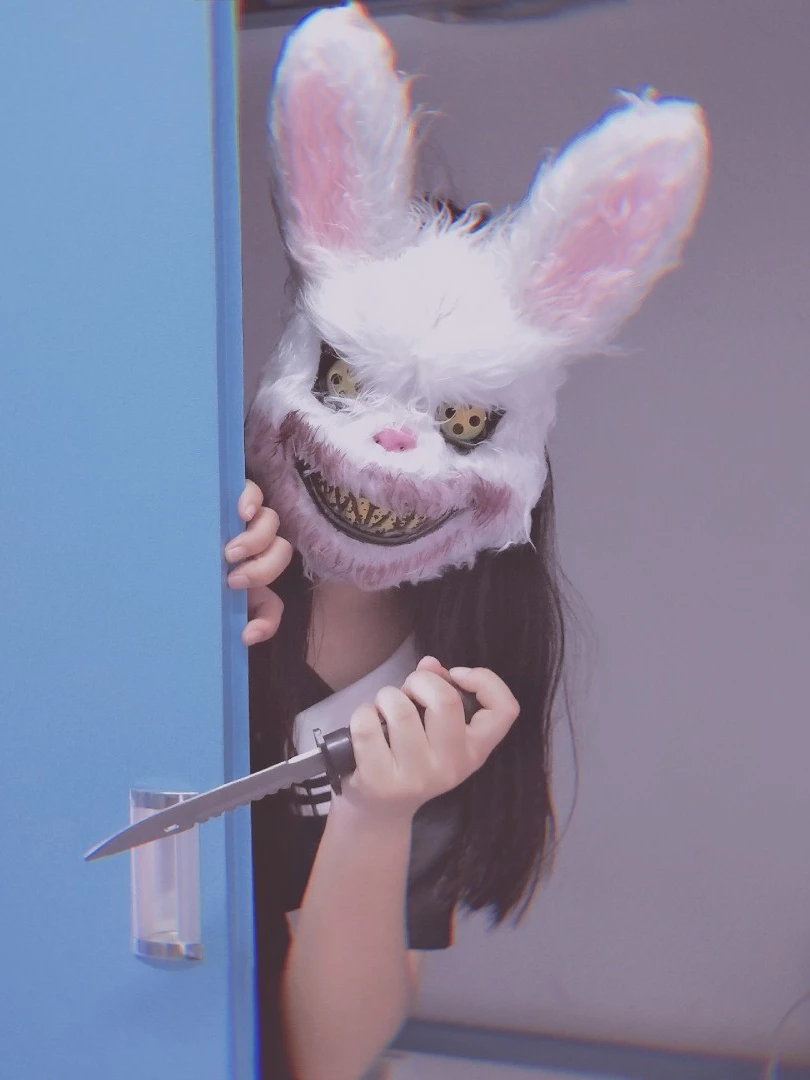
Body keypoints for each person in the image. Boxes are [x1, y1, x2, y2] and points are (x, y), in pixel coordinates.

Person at [231, 6, 709, 1078]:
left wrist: (378, 812)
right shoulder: (201, 533)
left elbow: (329, 1057)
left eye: (458, 419)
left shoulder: (450, 692)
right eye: (348, 382)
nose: (391, 447)